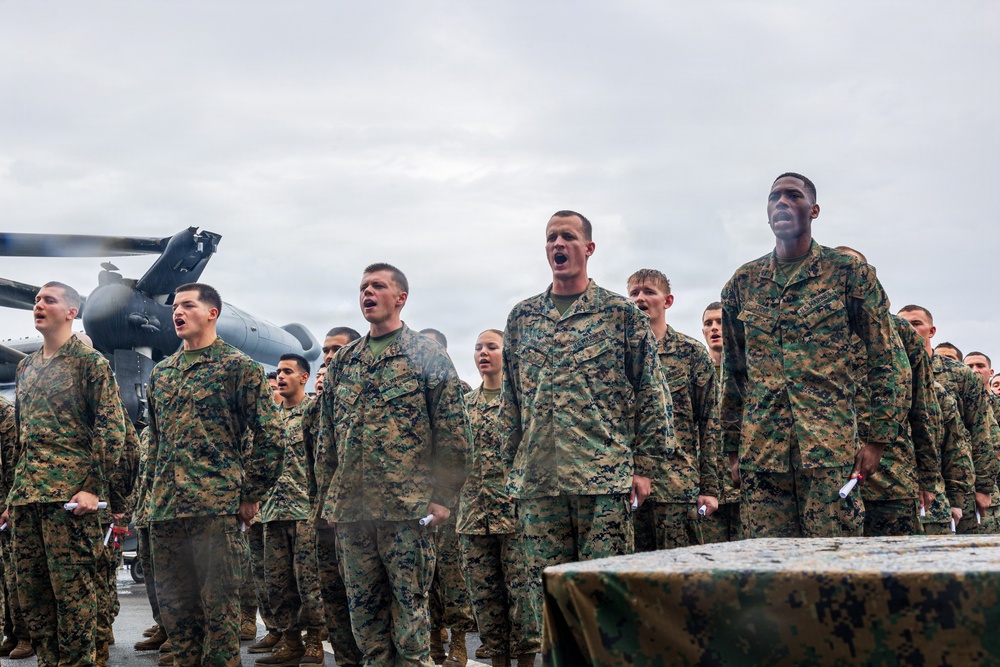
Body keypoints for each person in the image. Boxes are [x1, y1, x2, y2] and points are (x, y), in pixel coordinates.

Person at [501, 211, 671, 666]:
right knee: (549, 606)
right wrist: (509, 469)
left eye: (569, 237)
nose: (559, 244)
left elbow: (651, 393)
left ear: (588, 249)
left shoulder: (620, 314)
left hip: (603, 481)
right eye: (552, 238)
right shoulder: (522, 318)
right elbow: (512, 403)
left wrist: (644, 467)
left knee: (603, 601)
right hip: (538, 486)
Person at [721, 174, 907, 538]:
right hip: (763, 455)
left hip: (829, 452)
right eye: (775, 197)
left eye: (794, 196)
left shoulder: (848, 273)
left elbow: (886, 358)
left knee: (834, 565)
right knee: (768, 567)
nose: (783, 203)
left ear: (814, 210)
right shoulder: (742, 283)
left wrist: (878, 440)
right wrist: (732, 448)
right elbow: (734, 373)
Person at [319, 263, 471, 667]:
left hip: (409, 512)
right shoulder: (344, 363)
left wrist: (441, 499)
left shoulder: (427, 356)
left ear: (400, 297)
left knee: (409, 618)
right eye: (363, 287)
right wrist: (328, 500)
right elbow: (327, 441)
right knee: (365, 620)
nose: (367, 293)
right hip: (352, 514)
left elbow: (454, 436)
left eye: (378, 286)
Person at [146, 282, 285, 667]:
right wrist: (148, 501)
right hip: (166, 513)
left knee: (220, 617)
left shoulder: (238, 368)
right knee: (177, 617)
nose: (178, 312)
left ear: (212, 313)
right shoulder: (163, 374)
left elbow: (272, 437)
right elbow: (154, 444)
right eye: (175, 306)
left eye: (188, 305)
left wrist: (250, 493)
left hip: (216, 511)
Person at [3, 282, 128, 667]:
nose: (39, 305)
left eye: (49, 300)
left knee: (73, 602)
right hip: (28, 502)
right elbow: (22, 440)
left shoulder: (90, 364)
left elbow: (112, 430)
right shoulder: (26, 367)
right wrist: (11, 499)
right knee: (36, 602)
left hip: (68, 504)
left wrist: (92, 489)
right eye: (37, 300)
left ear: (72, 312)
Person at [627, 269, 719, 550]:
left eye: (649, 292)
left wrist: (710, 489)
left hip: (677, 487)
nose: (640, 298)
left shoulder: (690, 353)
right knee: (633, 582)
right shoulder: (618, 354)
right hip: (627, 487)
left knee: (682, 579)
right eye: (634, 293)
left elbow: (709, 424)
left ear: (667, 301)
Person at [898, 305, 1000, 534]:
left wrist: (984, 487)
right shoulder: (892, 369)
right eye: (903, 324)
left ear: (931, 330)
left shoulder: (960, 375)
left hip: (958, 478)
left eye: (915, 323)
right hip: (907, 477)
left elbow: (982, 430)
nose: (908, 329)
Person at [456, 330, 522, 667]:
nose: (484, 353)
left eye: (492, 347)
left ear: (506, 353)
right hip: (472, 518)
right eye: (478, 347)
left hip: (515, 518)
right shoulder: (464, 406)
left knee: (522, 600)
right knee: (485, 601)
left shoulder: (521, 402)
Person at [256, 354, 325, 666]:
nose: (281, 377)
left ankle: (314, 642)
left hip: (305, 513)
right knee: (278, 583)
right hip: (273, 512)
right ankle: (290, 640)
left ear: (304, 377)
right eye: (279, 372)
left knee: (310, 582)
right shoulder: (269, 418)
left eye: (288, 371)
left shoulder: (314, 413)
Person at [419, 327, 475, 665]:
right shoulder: (411, 393)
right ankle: (432, 638)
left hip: (452, 501)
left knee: (453, 576)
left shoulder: (460, 391)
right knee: (426, 575)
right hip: (418, 499)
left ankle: (458, 642)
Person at [307, 326, 362, 667]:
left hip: (364, 519)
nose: (327, 356)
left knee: (369, 602)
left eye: (336, 349)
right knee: (334, 599)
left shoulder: (368, 399)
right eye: (325, 350)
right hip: (326, 516)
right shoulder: (316, 410)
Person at [699, 302, 741, 542]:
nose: (714, 328)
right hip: (708, 487)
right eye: (708, 323)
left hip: (743, 485)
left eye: (720, 322)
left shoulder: (748, 374)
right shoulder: (695, 370)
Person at [0, 395, 32, 661]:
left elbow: (15, 462)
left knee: (15, 575)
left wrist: (11, 504)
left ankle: (24, 636)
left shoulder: (5, 412)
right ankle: (10, 634)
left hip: (7, 509)